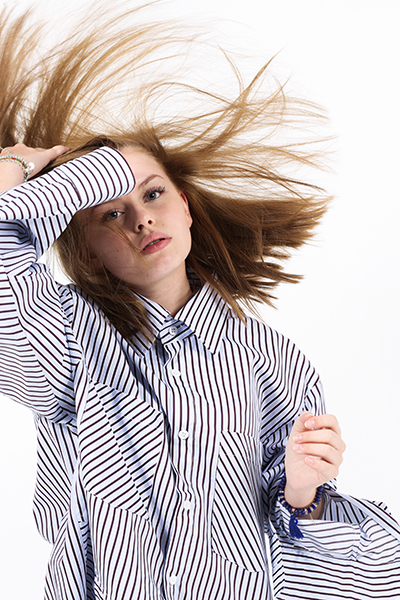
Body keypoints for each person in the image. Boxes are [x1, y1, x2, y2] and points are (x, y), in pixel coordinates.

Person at [0, 5, 399, 600]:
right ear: (85, 247)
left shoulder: (271, 357)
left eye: (153, 195)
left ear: (185, 206)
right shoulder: (66, 338)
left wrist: (304, 491)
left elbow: (300, 533)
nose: (141, 221)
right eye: (110, 213)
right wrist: (18, 169)